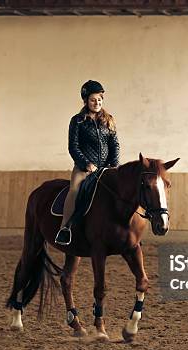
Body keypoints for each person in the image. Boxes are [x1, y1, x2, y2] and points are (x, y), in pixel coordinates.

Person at [54, 80, 120, 245]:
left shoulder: (109, 120)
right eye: (93, 100)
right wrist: (86, 164)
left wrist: (114, 164)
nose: (97, 103)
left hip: (106, 168)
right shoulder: (77, 121)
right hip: (84, 168)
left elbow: (115, 144)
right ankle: (65, 228)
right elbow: (73, 147)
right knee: (75, 189)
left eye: (99, 100)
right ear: (85, 101)